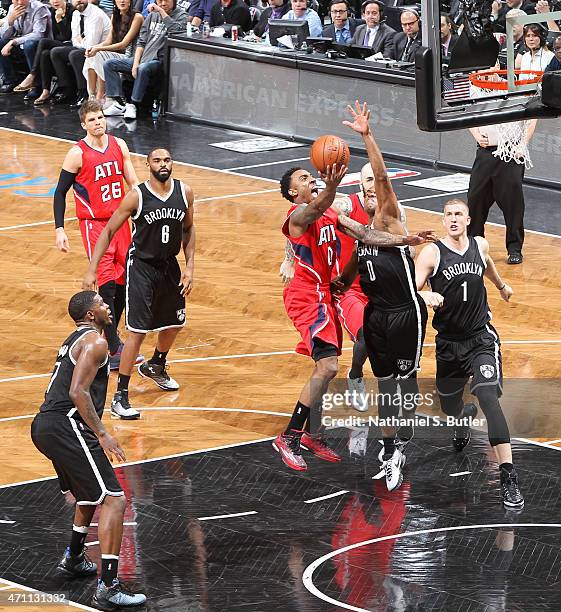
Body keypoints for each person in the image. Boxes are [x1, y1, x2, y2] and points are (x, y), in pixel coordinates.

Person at [274, 159, 429, 472]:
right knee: (328, 366)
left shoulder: (331, 213)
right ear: (293, 193)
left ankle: (310, 434)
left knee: (329, 366)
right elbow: (313, 210)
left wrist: (404, 240)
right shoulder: (297, 216)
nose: (310, 179)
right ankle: (290, 437)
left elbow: (366, 234)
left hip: (326, 296)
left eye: (310, 176)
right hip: (307, 298)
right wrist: (331, 186)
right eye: (303, 179)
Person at [334, 101, 439, 491]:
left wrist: (366, 136)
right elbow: (356, 262)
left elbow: (382, 177)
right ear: (359, 193)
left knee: (401, 382)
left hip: (404, 312)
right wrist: (341, 284)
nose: (372, 190)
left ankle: (398, 439)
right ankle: (391, 447)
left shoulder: (392, 216)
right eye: (365, 187)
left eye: (374, 185)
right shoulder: (363, 232)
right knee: (387, 384)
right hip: (378, 313)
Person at [30, 290, 146, 609]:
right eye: (101, 303)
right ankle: (108, 586)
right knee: (115, 500)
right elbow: (77, 391)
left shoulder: (73, 339)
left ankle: (74, 558)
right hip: (66, 424)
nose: (108, 305)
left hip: (47, 425)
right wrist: (104, 434)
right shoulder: (96, 341)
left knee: (87, 495)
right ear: (91, 314)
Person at [415, 199, 524, 509]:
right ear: (443, 219)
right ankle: (462, 416)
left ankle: (508, 476)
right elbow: (410, 288)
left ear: (467, 219)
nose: (453, 219)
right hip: (449, 344)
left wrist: (502, 285)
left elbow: (487, 263)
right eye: (448, 214)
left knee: (489, 398)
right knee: (449, 404)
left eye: (458, 214)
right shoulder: (433, 252)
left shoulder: (480, 244)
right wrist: (425, 294)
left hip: (480, 339)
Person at [83, 148, 195, 421]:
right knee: (137, 332)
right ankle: (120, 396)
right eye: (157, 160)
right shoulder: (137, 195)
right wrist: (92, 269)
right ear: (148, 165)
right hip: (142, 267)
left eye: (167, 160)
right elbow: (109, 230)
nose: (163, 164)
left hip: (170, 266)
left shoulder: (185, 192)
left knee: (175, 323)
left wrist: (190, 266)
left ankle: (157, 364)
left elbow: (189, 229)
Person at [53, 99, 141, 382]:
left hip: (121, 222)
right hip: (94, 225)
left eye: (100, 118)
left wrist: (144, 210)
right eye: (92, 120)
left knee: (123, 281)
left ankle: (108, 335)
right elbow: (60, 192)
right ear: (84, 124)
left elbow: (134, 185)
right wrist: (59, 228)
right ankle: (115, 348)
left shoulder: (119, 145)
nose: (98, 123)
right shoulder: (76, 153)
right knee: (105, 285)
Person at [466, 114, 537, 264]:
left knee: (513, 204)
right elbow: (469, 113)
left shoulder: (518, 92)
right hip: (485, 152)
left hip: (511, 153)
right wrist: (477, 135)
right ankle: (474, 246)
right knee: (475, 200)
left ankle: (514, 249)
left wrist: (522, 144)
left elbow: (532, 119)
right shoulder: (480, 92)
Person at [103, 0, 186, 119]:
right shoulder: (151, 16)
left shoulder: (181, 15)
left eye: (166, 0)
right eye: (159, 1)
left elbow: (176, 30)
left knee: (143, 68)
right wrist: (135, 63)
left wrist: (161, 12)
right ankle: (119, 104)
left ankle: (133, 105)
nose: (162, 3)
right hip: (144, 58)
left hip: (160, 61)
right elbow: (141, 43)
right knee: (109, 64)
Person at [50, 0, 111, 106]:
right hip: (84, 48)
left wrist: (80, 40)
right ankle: (67, 89)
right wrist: (81, 41)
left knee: (75, 55)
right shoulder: (76, 13)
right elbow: (74, 38)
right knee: (55, 52)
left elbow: (91, 44)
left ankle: (84, 93)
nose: (78, 1)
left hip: (100, 49)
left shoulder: (96, 15)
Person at [13, 0, 74, 104]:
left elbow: (67, 36)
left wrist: (59, 20)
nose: (55, 1)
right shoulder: (51, 11)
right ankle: (45, 91)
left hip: (72, 44)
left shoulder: (72, 11)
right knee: (44, 53)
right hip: (59, 44)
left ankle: (32, 75)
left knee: (43, 42)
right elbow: (55, 36)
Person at [83, 0, 143, 101]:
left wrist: (98, 49)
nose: (122, 1)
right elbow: (108, 41)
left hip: (130, 56)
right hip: (117, 53)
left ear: (130, 1)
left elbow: (123, 44)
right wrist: (94, 47)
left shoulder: (137, 17)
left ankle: (101, 94)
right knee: (91, 55)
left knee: (98, 55)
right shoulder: (114, 16)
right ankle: (92, 95)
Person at [0, 0, 51, 93]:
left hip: (41, 44)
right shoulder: (12, 8)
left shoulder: (39, 8)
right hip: (22, 42)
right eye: (16, 0)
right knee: (1, 42)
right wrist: (10, 21)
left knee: (29, 45)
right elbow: (5, 36)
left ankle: (36, 85)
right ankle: (10, 80)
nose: (20, 3)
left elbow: (39, 34)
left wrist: (14, 42)